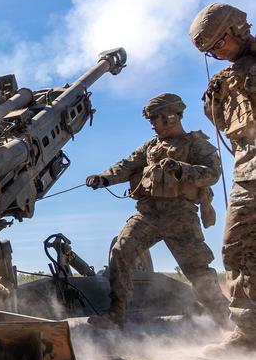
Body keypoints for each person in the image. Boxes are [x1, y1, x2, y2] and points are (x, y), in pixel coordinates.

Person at [86, 93, 230, 329]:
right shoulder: (150, 147)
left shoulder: (197, 145)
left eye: (156, 119)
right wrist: (103, 178)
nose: (153, 124)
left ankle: (226, 322)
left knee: (198, 271)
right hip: (148, 214)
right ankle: (115, 315)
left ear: (172, 117)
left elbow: (212, 174)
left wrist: (181, 169)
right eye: (151, 120)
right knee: (121, 251)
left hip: (181, 216)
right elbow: (127, 165)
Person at [189, 3, 256, 352]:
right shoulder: (224, 81)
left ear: (236, 31)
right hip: (248, 174)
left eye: (218, 46)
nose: (216, 55)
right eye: (209, 51)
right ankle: (248, 335)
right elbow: (226, 127)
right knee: (236, 248)